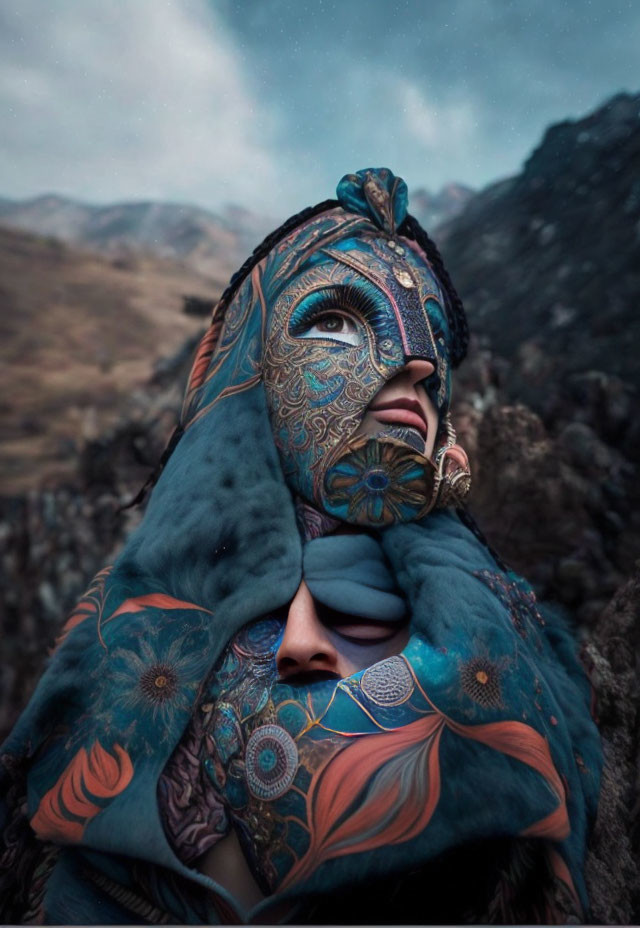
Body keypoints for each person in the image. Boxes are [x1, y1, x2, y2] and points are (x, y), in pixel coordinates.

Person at [0, 168, 601, 924]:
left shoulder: (505, 638)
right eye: (338, 320)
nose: (417, 363)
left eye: (436, 338)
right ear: (250, 367)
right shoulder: (122, 636)